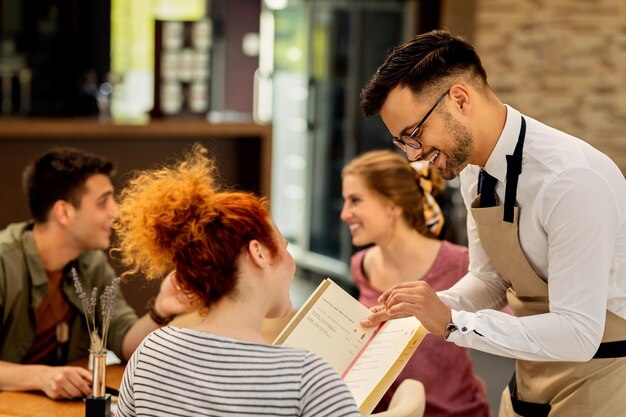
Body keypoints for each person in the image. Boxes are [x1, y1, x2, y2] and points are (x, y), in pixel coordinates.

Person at [358, 29, 626, 417]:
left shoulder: (570, 180)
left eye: (414, 135)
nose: (414, 156)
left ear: (460, 99)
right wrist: (427, 308)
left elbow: (579, 335)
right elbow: (491, 280)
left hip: (604, 375)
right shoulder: (472, 170)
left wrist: (451, 322)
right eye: (404, 142)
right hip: (530, 369)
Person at [112, 145, 361, 417]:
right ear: (259, 253)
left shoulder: (151, 352)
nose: (291, 265)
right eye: (284, 246)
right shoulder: (307, 379)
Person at [0, 147, 188, 400]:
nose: (116, 212)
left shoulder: (91, 262)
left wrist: (161, 308)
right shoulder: (4, 261)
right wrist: (42, 376)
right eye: (103, 202)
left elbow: (124, 343)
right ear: (63, 212)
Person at [341, 149, 490, 417]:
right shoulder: (361, 265)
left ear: (392, 205)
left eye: (355, 200)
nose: (344, 213)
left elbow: (509, 322)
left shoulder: (460, 263)